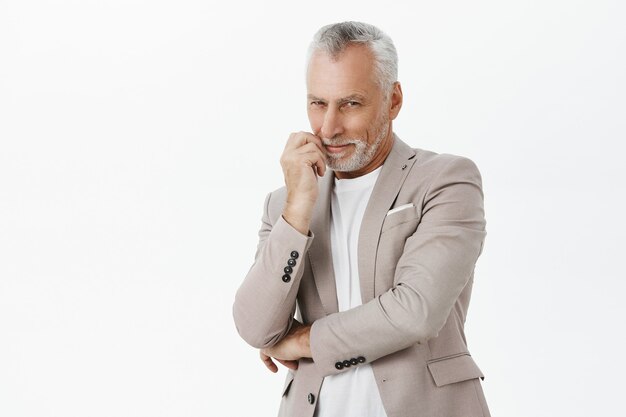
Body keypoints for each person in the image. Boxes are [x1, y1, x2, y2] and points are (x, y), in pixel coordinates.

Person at [233, 21, 490, 417]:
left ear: (393, 100)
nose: (329, 127)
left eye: (350, 103)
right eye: (318, 103)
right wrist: (299, 209)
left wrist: (303, 342)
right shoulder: (284, 203)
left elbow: (414, 311)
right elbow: (255, 327)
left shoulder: (446, 180)